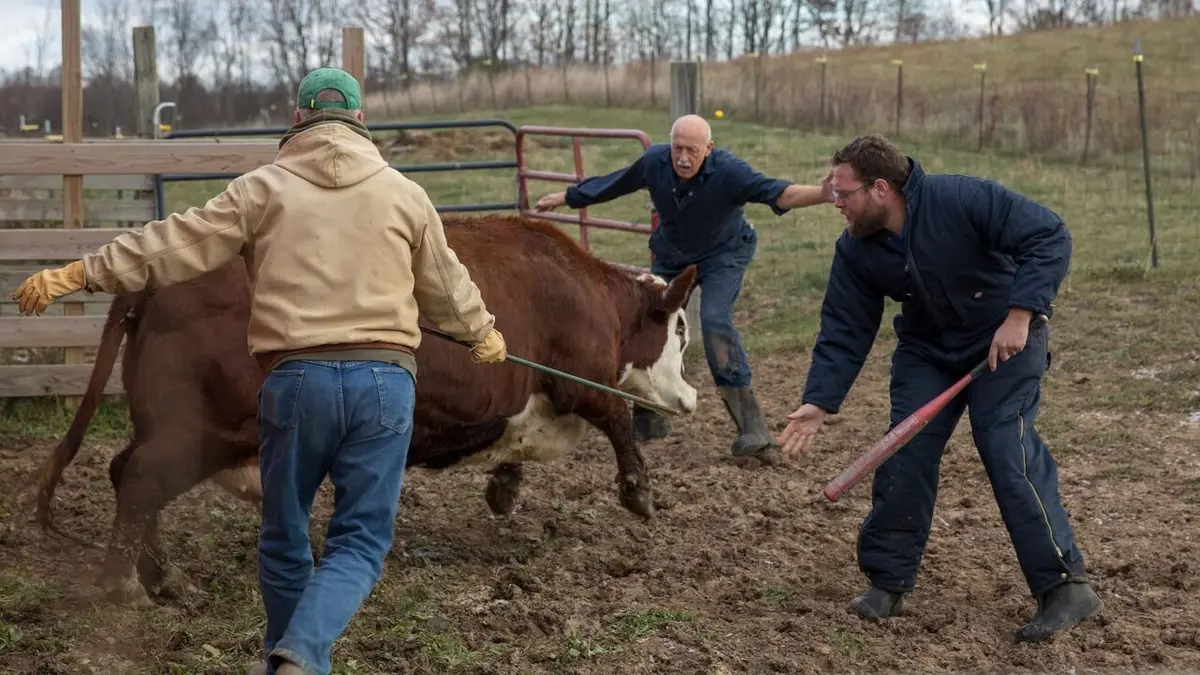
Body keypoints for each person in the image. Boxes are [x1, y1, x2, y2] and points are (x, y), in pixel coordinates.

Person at [10, 67, 507, 675]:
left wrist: (81, 273)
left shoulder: (262, 190)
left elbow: (170, 244)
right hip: (384, 385)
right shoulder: (404, 194)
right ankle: (302, 654)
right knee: (359, 541)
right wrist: (482, 334)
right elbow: (448, 289)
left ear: (297, 119)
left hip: (296, 382)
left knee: (283, 535)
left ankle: (285, 660)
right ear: (360, 120)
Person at [776, 134, 1102, 642]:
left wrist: (1021, 313)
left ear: (880, 188)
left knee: (1004, 445)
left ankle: (1064, 586)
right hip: (928, 351)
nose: (834, 201)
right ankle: (889, 580)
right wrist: (819, 402)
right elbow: (844, 327)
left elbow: (1049, 235)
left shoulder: (962, 198)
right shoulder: (857, 248)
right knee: (905, 448)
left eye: (843, 192)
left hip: (1005, 340)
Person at [535, 114, 833, 460]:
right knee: (649, 319)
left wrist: (822, 193)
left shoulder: (730, 171)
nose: (683, 158)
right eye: (677, 148)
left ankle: (752, 428)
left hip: (724, 253)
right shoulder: (654, 162)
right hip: (673, 255)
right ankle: (649, 413)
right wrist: (565, 196)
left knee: (715, 321)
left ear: (709, 149)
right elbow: (615, 183)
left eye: (692, 150)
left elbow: (779, 193)